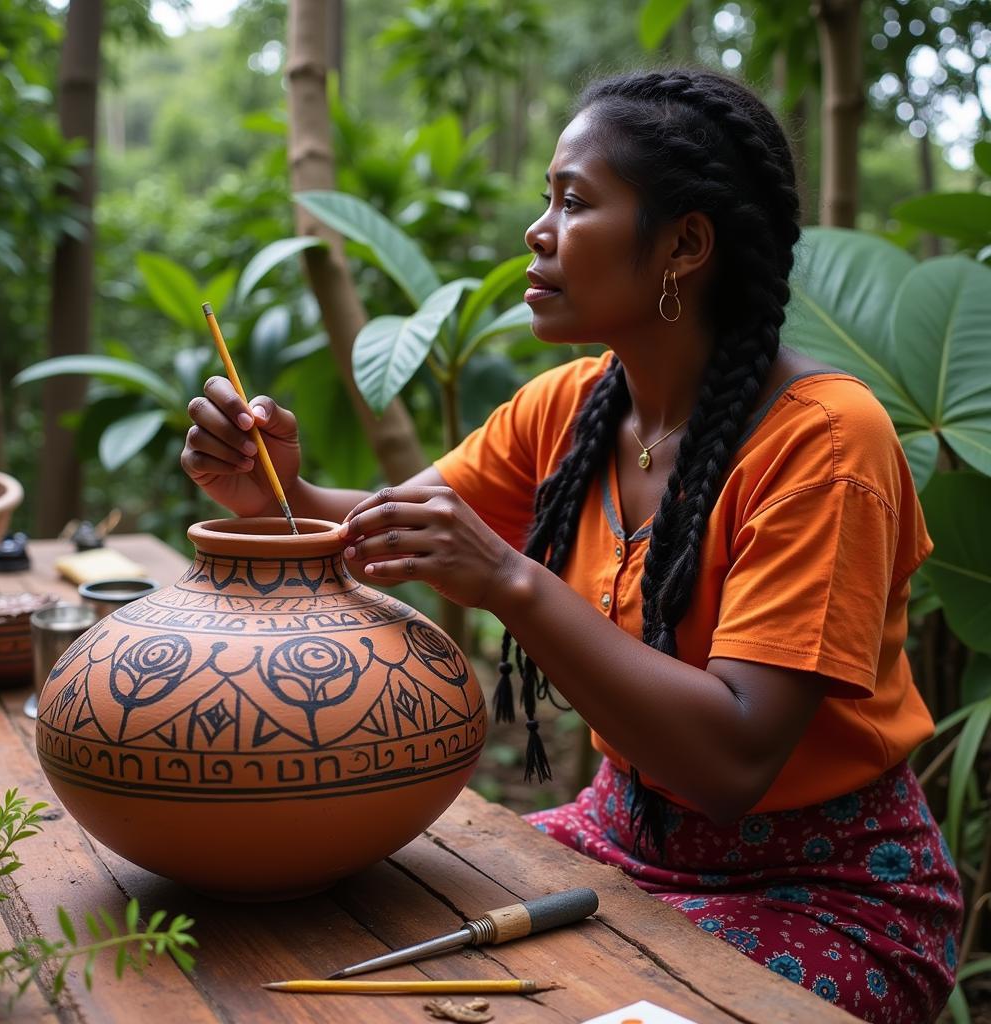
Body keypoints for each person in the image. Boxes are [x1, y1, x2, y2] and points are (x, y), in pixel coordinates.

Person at [182, 68, 961, 1021]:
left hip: (828, 894)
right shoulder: (575, 407)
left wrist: (514, 581)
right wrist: (274, 491)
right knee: (378, 960)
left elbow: (731, 765)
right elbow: (377, 528)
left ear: (685, 244)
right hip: (616, 841)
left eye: (574, 201)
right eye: (546, 197)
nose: (537, 230)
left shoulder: (827, 442)